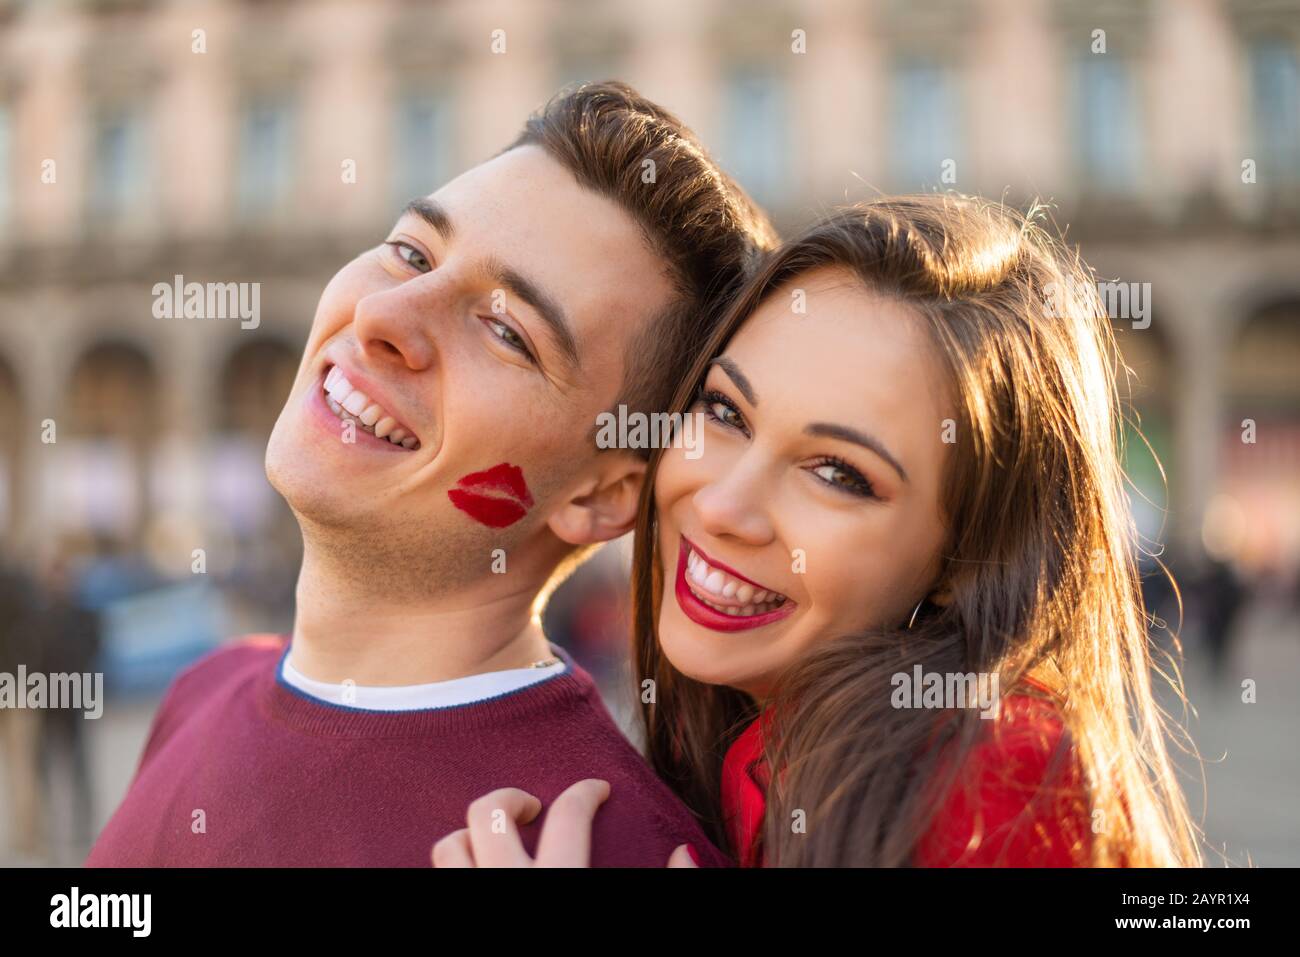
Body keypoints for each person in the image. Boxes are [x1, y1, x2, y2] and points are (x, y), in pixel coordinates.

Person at [86, 81, 776, 867]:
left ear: (600, 495)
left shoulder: (613, 851)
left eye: (507, 331)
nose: (383, 316)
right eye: (412, 251)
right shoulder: (203, 690)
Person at [435, 196, 1203, 868]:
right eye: (726, 412)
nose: (722, 506)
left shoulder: (999, 774)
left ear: (961, 559)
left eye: (837, 473)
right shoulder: (749, 747)